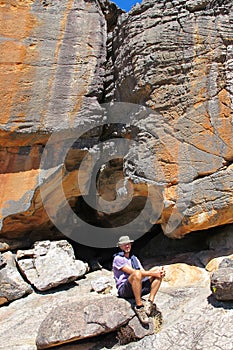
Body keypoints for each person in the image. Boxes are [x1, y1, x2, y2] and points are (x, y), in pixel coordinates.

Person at [112, 235, 165, 324]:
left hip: (138, 286)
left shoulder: (134, 258)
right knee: (136, 273)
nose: (127, 246)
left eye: (128, 244)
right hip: (125, 290)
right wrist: (153, 274)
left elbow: (143, 272)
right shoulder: (118, 259)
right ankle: (139, 307)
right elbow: (134, 272)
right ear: (120, 246)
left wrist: (157, 273)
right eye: (124, 244)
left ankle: (150, 303)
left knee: (158, 272)